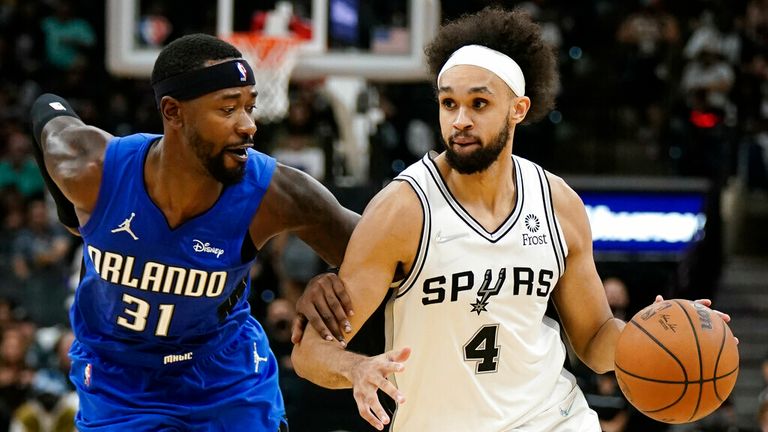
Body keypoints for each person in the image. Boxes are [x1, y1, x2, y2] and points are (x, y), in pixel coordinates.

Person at [290, 7, 733, 431]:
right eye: (449, 103)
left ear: (518, 109)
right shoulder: (403, 210)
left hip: (553, 419)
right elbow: (310, 352)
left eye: (479, 103)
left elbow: (595, 340)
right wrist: (357, 368)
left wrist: (647, 333)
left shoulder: (558, 204)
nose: (460, 120)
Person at [29, 33, 358, 431]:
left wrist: (331, 277)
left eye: (250, 107)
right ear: (173, 111)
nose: (248, 125)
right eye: (228, 109)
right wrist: (71, 213)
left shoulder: (274, 193)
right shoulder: (93, 172)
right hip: (119, 381)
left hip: (224, 376)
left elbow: (382, 251)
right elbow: (46, 109)